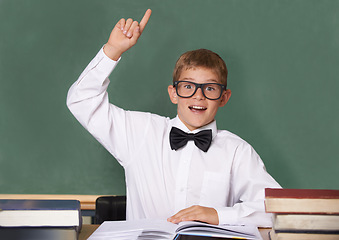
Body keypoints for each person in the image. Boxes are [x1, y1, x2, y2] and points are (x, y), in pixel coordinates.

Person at [67, 9, 281, 227]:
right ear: (173, 93)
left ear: (223, 97)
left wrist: (218, 215)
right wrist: (112, 50)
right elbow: (81, 101)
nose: (199, 95)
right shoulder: (140, 132)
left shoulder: (237, 151)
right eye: (188, 86)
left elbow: (277, 209)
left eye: (210, 88)